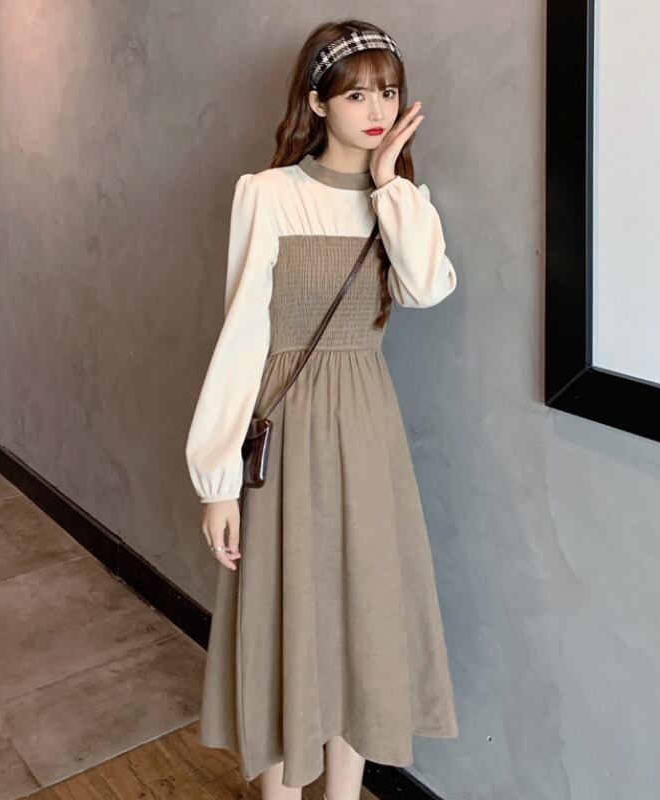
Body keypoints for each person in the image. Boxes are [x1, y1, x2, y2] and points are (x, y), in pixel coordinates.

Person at [184, 18, 459, 800]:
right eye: (357, 94)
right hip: (290, 437)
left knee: (361, 623)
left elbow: (427, 289)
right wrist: (216, 481)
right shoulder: (269, 195)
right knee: (284, 623)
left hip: (368, 434)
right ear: (317, 102)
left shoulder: (401, 203)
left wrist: (390, 181)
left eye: (389, 92)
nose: (377, 109)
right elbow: (242, 337)